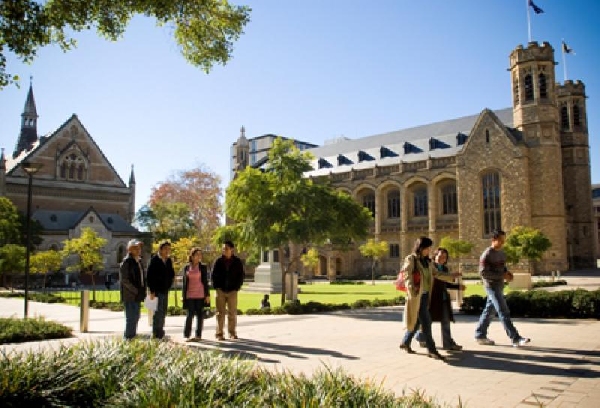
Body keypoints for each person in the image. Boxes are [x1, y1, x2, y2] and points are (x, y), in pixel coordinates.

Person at [474, 229, 531, 347]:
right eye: (500, 240)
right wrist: (502, 275)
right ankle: (515, 338)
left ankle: (480, 334)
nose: (502, 243)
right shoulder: (487, 254)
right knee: (503, 311)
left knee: (489, 311)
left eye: (503, 241)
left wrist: (507, 273)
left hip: (499, 285)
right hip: (491, 286)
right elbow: (483, 273)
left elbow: (502, 267)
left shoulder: (501, 253)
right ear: (493, 240)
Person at [399, 237, 446, 360]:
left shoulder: (428, 262)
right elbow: (407, 275)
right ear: (421, 247)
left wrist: (452, 276)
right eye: (427, 248)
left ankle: (405, 342)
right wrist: (411, 290)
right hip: (416, 296)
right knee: (426, 322)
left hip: (425, 296)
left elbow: (436, 274)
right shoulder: (411, 259)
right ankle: (432, 350)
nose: (429, 250)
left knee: (418, 321)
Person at [416, 247, 464, 351]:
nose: (443, 258)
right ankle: (420, 337)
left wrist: (457, 287)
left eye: (445, 257)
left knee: (445, 321)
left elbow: (445, 283)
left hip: (443, 299)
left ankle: (448, 343)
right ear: (435, 256)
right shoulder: (431, 267)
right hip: (432, 298)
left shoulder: (445, 268)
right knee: (427, 321)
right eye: (440, 256)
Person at [211, 240, 245, 340]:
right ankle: (219, 334)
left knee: (232, 313)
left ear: (231, 250)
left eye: (226, 249)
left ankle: (232, 333)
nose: (224, 250)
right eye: (223, 249)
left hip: (232, 291)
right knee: (219, 313)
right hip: (220, 290)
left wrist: (237, 287)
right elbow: (213, 275)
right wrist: (216, 287)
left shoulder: (237, 262)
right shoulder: (218, 261)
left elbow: (241, 276)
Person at [146, 240, 175, 340]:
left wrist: (169, 285)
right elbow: (149, 276)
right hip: (157, 291)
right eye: (165, 249)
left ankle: (161, 332)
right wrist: (152, 290)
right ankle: (156, 333)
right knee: (158, 312)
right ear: (160, 249)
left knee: (163, 312)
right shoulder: (154, 260)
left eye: (169, 249)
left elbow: (171, 274)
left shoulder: (168, 261)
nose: (167, 251)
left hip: (165, 290)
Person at [119, 239, 146, 340]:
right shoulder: (126, 262)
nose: (138, 250)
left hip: (138, 295)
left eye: (139, 248)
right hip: (130, 295)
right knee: (131, 318)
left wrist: (142, 291)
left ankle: (132, 336)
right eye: (135, 248)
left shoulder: (139, 261)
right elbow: (125, 281)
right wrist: (136, 291)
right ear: (129, 249)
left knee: (136, 317)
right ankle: (129, 338)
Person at [182, 247, 210, 340]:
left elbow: (205, 282)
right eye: (197, 254)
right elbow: (184, 283)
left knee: (199, 315)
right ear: (192, 256)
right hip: (190, 294)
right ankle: (186, 334)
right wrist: (183, 295)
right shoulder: (187, 267)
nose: (199, 256)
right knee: (189, 315)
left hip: (200, 294)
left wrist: (207, 295)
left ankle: (198, 335)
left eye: (200, 254)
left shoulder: (203, 267)